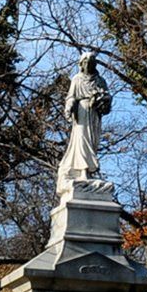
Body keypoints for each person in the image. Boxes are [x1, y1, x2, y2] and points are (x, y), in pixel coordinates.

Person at [58, 51, 111, 193]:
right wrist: (69, 107)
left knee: (92, 142)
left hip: (94, 115)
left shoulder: (100, 81)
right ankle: (82, 171)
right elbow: (71, 97)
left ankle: (89, 172)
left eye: (91, 62)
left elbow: (107, 99)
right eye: (86, 62)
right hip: (81, 113)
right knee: (81, 140)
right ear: (81, 64)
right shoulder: (77, 79)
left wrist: (103, 100)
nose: (88, 64)